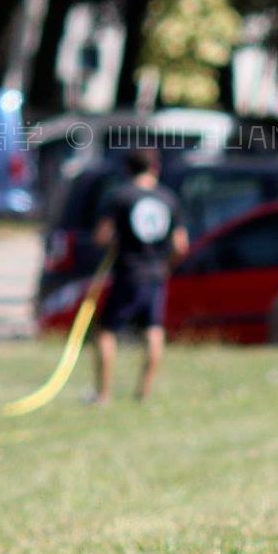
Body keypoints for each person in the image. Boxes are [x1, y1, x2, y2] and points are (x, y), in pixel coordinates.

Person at [90, 148, 188, 404]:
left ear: (127, 168)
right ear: (155, 167)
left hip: (127, 271)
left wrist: (114, 243)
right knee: (153, 330)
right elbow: (180, 245)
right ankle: (143, 393)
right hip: (156, 274)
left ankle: (103, 394)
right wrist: (166, 265)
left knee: (106, 331)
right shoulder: (169, 198)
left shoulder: (120, 196)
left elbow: (102, 236)